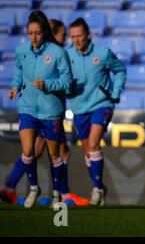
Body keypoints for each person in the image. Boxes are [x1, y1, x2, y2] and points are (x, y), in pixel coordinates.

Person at [0, 18, 89, 206]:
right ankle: (62, 194)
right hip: (44, 111)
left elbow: (67, 80)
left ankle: (11, 188)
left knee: (45, 151)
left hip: (52, 109)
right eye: (63, 35)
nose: (66, 38)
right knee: (49, 152)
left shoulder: (57, 54)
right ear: (53, 34)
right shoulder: (51, 53)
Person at [67, 17, 126, 206]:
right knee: (87, 150)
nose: (76, 40)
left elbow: (120, 70)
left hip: (102, 104)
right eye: (73, 36)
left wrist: (115, 92)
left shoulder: (102, 53)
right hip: (78, 108)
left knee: (93, 144)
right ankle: (98, 185)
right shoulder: (67, 56)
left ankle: (96, 189)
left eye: (80, 36)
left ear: (88, 35)